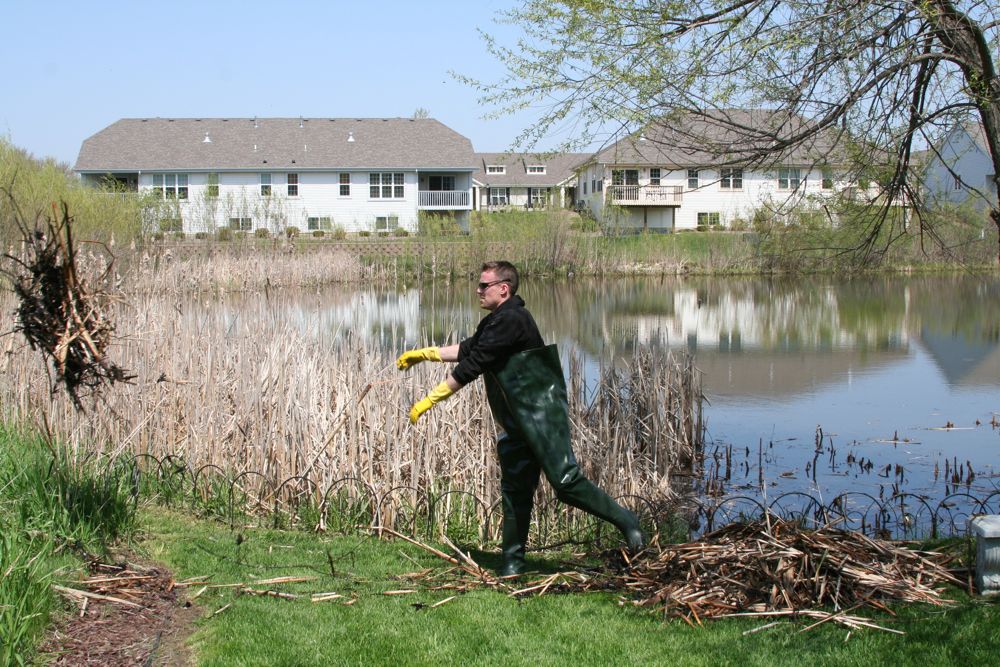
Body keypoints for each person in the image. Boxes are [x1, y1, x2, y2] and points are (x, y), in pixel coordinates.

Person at [396, 261, 645, 577]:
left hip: (540, 414)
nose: (478, 290)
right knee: (515, 487)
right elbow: (472, 348)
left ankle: (627, 521)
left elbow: (475, 365)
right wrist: (425, 354)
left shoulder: (513, 319)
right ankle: (513, 563)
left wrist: (429, 400)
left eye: (483, 285)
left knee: (566, 483)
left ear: (504, 287)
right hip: (514, 417)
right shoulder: (496, 320)